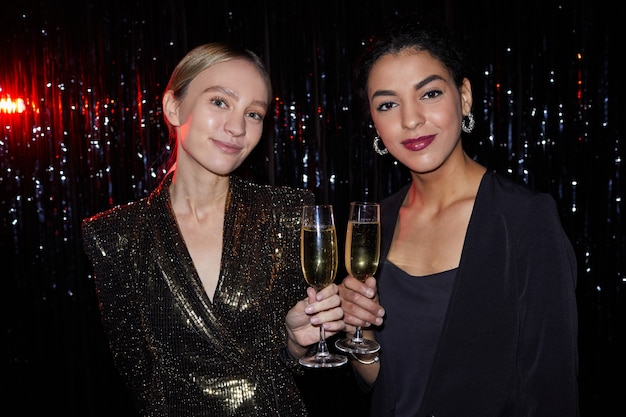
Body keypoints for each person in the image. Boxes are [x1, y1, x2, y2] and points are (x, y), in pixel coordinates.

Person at [82, 42, 345, 416]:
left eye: (254, 113)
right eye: (220, 101)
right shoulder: (114, 236)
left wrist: (293, 340)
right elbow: (139, 382)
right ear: (174, 107)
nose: (237, 127)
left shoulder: (286, 214)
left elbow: (287, 364)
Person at [338, 18, 579, 416]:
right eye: (387, 104)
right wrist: (357, 333)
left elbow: (552, 389)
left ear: (464, 96)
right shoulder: (373, 223)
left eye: (429, 93)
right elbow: (383, 383)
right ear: (374, 121)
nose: (410, 119)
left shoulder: (525, 219)